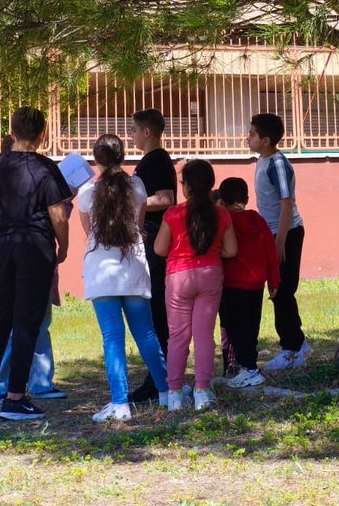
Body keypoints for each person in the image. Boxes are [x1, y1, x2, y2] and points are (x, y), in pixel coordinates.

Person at [0, 106, 70, 422]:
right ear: (42, 134)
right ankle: (15, 398)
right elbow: (58, 214)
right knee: (26, 320)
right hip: (34, 246)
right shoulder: (45, 168)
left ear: (12, 131)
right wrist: (63, 247)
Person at [77, 134, 172, 421]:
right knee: (146, 333)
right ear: (123, 156)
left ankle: (119, 404)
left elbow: (88, 231)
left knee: (112, 339)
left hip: (101, 272)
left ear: (96, 160)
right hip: (133, 268)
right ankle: (168, 393)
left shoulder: (86, 192)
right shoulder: (138, 186)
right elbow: (140, 225)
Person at [154, 159, 236, 411]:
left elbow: (159, 249)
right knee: (204, 336)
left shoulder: (173, 214)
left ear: (185, 186)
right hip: (210, 275)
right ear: (211, 184)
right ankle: (202, 391)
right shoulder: (222, 214)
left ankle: (175, 394)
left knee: (178, 336)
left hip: (178, 277)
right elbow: (231, 250)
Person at [247, 113, 310, 370]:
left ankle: (291, 348)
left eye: (252, 134)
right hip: (272, 234)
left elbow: (286, 203)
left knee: (282, 290)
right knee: (277, 290)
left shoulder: (278, 164)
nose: (247, 138)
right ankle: (297, 344)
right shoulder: (262, 161)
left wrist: (280, 242)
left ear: (266, 140)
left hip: (286, 233)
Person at [128, 108, 177, 404]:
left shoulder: (156, 159)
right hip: (151, 240)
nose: (131, 135)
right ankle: (158, 374)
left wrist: (132, 200)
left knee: (156, 308)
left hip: (156, 242)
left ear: (147, 132)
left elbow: (166, 198)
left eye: (133, 129)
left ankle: (158, 377)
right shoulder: (151, 160)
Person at [215, 177, 280, 389]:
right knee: (251, 327)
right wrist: (274, 280)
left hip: (234, 284)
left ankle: (250, 369)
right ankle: (248, 366)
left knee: (235, 328)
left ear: (221, 202)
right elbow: (270, 250)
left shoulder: (225, 220)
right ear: (247, 198)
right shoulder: (258, 220)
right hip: (256, 284)